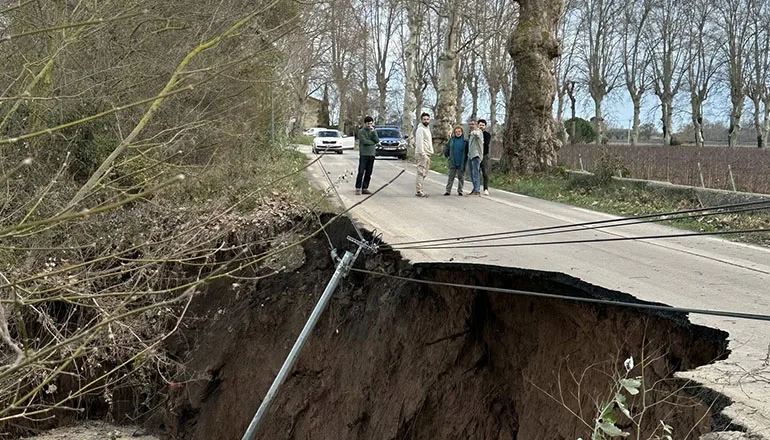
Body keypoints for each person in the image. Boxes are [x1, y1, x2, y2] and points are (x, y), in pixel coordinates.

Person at [355, 116, 379, 195]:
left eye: (371, 123)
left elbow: (377, 140)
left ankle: (365, 188)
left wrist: (373, 132)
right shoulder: (361, 131)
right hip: (364, 154)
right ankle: (358, 187)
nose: (369, 125)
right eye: (368, 123)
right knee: (361, 171)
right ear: (365, 123)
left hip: (371, 154)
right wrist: (372, 143)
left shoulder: (373, 131)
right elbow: (364, 141)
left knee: (369, 172)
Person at [413, 112, 434, 197]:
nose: (426, 121)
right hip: (422, 153)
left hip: (428, 153)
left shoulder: (427, 129)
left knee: (425, 173)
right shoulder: (420, 129)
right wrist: (422, 153)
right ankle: (419, 190)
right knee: (421, 172)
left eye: (427, 119)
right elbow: (419, 142)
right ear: (421, 120)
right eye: (424, 119)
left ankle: (420, 188)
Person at [444, 125, 468, 196]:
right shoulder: (451, 140)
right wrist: (447, 155)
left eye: (459, 131)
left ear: (462, 132)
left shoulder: (465, 141)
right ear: (454, 132)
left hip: (462, 161)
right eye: (456, 131)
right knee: (451, 176)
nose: (458, 133)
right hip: (453, 161)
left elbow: (467, 151)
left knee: (461, 177)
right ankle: (448, 190)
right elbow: (447, 148)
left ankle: (460, 190)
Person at [467, 119, 484, 196]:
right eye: (470, 124)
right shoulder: (470, 133)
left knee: (475, 173)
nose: (471, 125)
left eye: (473, 124)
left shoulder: (478, 131)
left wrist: (475, 132)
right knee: (471, 173)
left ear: (476, 125)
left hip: (476, 155)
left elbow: (477, 134)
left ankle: (477, 190)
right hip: (470, 155)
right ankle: (474, 188)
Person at [478, 119, 492, 195]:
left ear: (485, 126)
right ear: (478, 125)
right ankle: (476, 188)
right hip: (476, 155)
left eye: (483, 125)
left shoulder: (487, 135)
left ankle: (485, 188)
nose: (481, 126)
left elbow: (486, 144)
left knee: (485, 173)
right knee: (476, 172)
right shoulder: (474, 133)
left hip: (484, 155)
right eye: (480, 125)